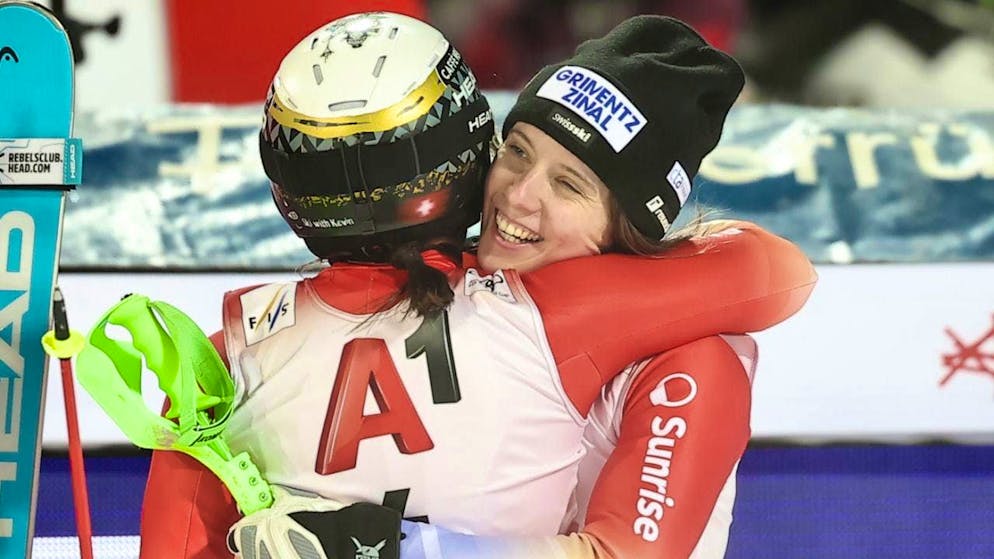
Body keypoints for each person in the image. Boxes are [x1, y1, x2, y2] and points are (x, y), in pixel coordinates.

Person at [138, 12, 816, 559]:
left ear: (630, 220)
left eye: (568, 183)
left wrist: (412, 547)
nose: (518, 196)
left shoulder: (692, 356)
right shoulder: (450, 288)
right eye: (517, 151)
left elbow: (624, 554)